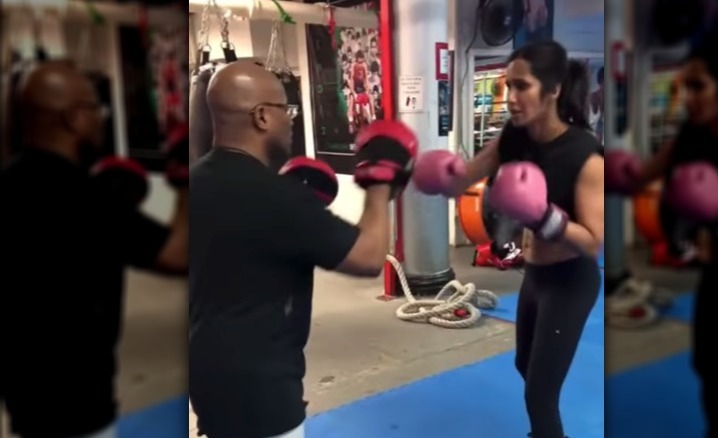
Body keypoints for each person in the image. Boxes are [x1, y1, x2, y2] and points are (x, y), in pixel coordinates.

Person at [188, 60, 417, 438]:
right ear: (261, 116)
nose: (290, 120)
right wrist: (381, 184)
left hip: (207, 375)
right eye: (285, 109)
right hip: (262, 388)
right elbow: (368, 257)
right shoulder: (278, 198)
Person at [412, 41, 604, 438]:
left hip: (570, 282)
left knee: (540, 395)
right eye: (508, 86)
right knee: (524, 365)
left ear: (552, 90)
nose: (511, 98)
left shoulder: (586, 155)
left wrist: (543, 216)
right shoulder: (513, 139)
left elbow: (593, 242)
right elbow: (463, 177)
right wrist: (414, 171)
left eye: (522, 86)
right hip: (534, 276)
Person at [0, 61, 189, 438]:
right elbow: (178, 255)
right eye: (94, 109)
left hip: (24, 402)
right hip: (79, 406)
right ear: (72, 117)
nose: (101, 118)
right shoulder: (87, 198)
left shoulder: (7, 185)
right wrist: (185, 178)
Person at [605, 37, 718, 438]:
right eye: (684, 86)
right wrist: (608, 170)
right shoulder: (690, 137)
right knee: (704, 368)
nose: (688, 97)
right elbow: (643, 176)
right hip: (714, 276)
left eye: (698, 86)